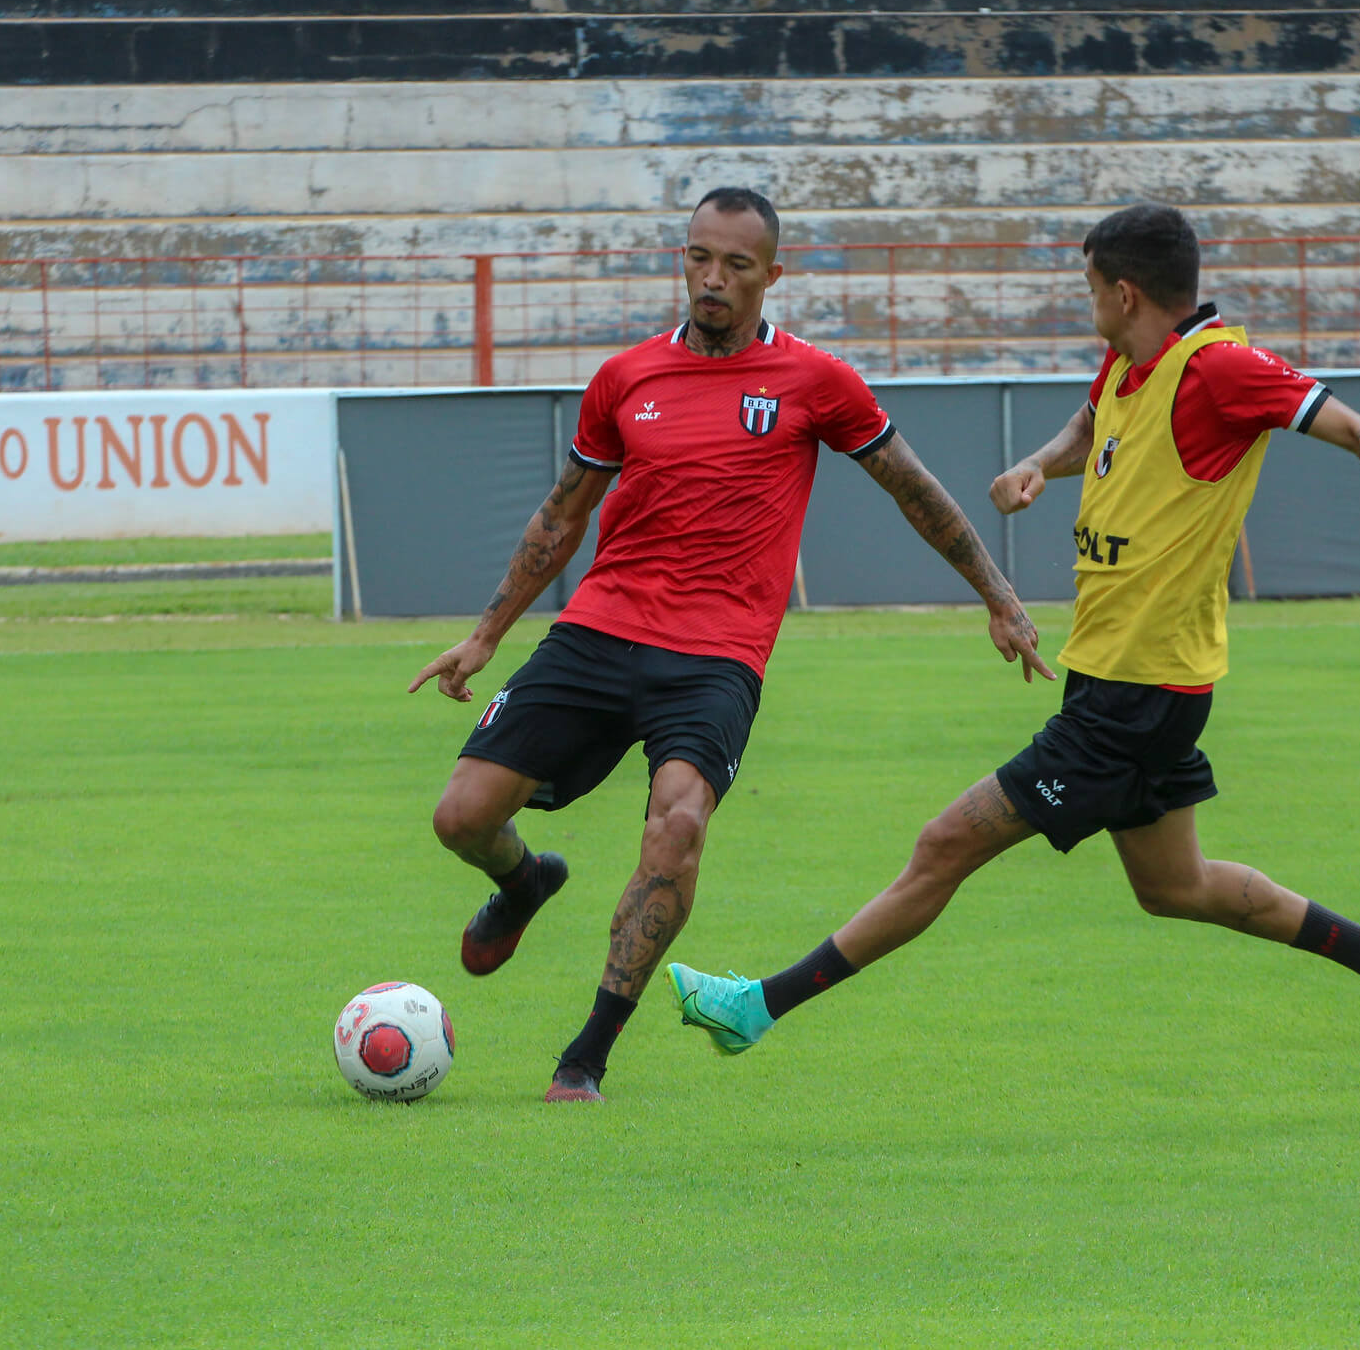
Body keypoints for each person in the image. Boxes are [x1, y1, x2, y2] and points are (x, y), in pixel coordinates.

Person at [666, 202, 1360, 1079]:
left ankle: (757, 1007)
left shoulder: (1220, 368)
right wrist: (1037, 468)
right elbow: (1090, 430)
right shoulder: (1129, 362)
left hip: (1138, 695)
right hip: (1120, 683)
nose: (1086, 302)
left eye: (1090, 287)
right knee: (1176, 886)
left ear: (1125, 292)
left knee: (944, 845)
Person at [409, 187, 1053, 1104]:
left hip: (715, 658)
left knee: (678, 822)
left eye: (736, 265)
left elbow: (913, 489)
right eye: (699, 258)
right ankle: (522, 884)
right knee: (460, 817)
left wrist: (999, 597)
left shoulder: (816, 382)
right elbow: (561, 516)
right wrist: (483, 637)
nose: (713, 279)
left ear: (772, 275)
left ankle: (584, 1058)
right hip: (597, 630)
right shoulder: (625, 378)